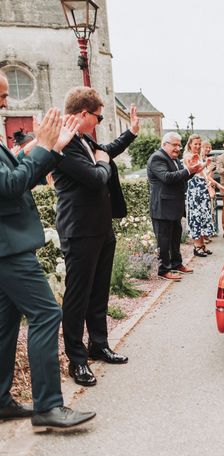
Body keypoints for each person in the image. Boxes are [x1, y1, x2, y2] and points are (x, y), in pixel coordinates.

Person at [0, 71, 95, 430]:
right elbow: (10, 185)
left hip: (7, 245)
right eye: (2, 96)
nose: (7, 103)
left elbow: (18, 171)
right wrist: (41, 147)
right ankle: (49, 407)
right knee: (45, 315)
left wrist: (51, 148)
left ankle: (1, 401)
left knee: (5, 324)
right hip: (8, 248)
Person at [54, 86, 139, 387]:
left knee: (99, 291)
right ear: (83, 114)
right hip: (79, 230)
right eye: (99, 117)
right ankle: (77, 360)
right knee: (78, 297)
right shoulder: (62, 141)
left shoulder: (84, 138)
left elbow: (104, 151)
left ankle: (98, 344)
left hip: (101, 228)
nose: (100, 122)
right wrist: (103, 162)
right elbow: (94, 177)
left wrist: (131, 133)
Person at [148, 132, 205, 281]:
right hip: (162, 208)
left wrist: (193, 171)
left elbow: (181, 177)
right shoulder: (157, 158)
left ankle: (176, 264)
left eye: (179, 145)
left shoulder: (173, 159)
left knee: (175, 238)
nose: (178, 148)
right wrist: (188, 170)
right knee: (164, 241)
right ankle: (163, 270)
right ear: (164, 144)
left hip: (174, 207)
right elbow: (167, 178)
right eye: (175, 145)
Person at [184, 134, 214, 257]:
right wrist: (205, 164)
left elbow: (204, 174)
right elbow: (195, 170)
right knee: (196, 216)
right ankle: (196, 246)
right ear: (190, 144)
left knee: (202, 216)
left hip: (201, 189)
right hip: (194, 189)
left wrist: (208, 184)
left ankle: (202, 244)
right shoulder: (188, 156)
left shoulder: (198, 156)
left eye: (199, 144)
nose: (197, 146)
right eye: (195, 144)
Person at [201, 140, 219, 237]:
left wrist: (212, 169)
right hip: (202, 187)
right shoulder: (201, 159)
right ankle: (203, 235)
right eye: (205, 147)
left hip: (209, 185)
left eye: (209, 147)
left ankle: (208, 232)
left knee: (210, 210)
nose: (208, 149)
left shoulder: (208, 159)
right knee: (204, 211)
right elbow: (203, 174)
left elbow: (210, 175)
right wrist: (210, 168)